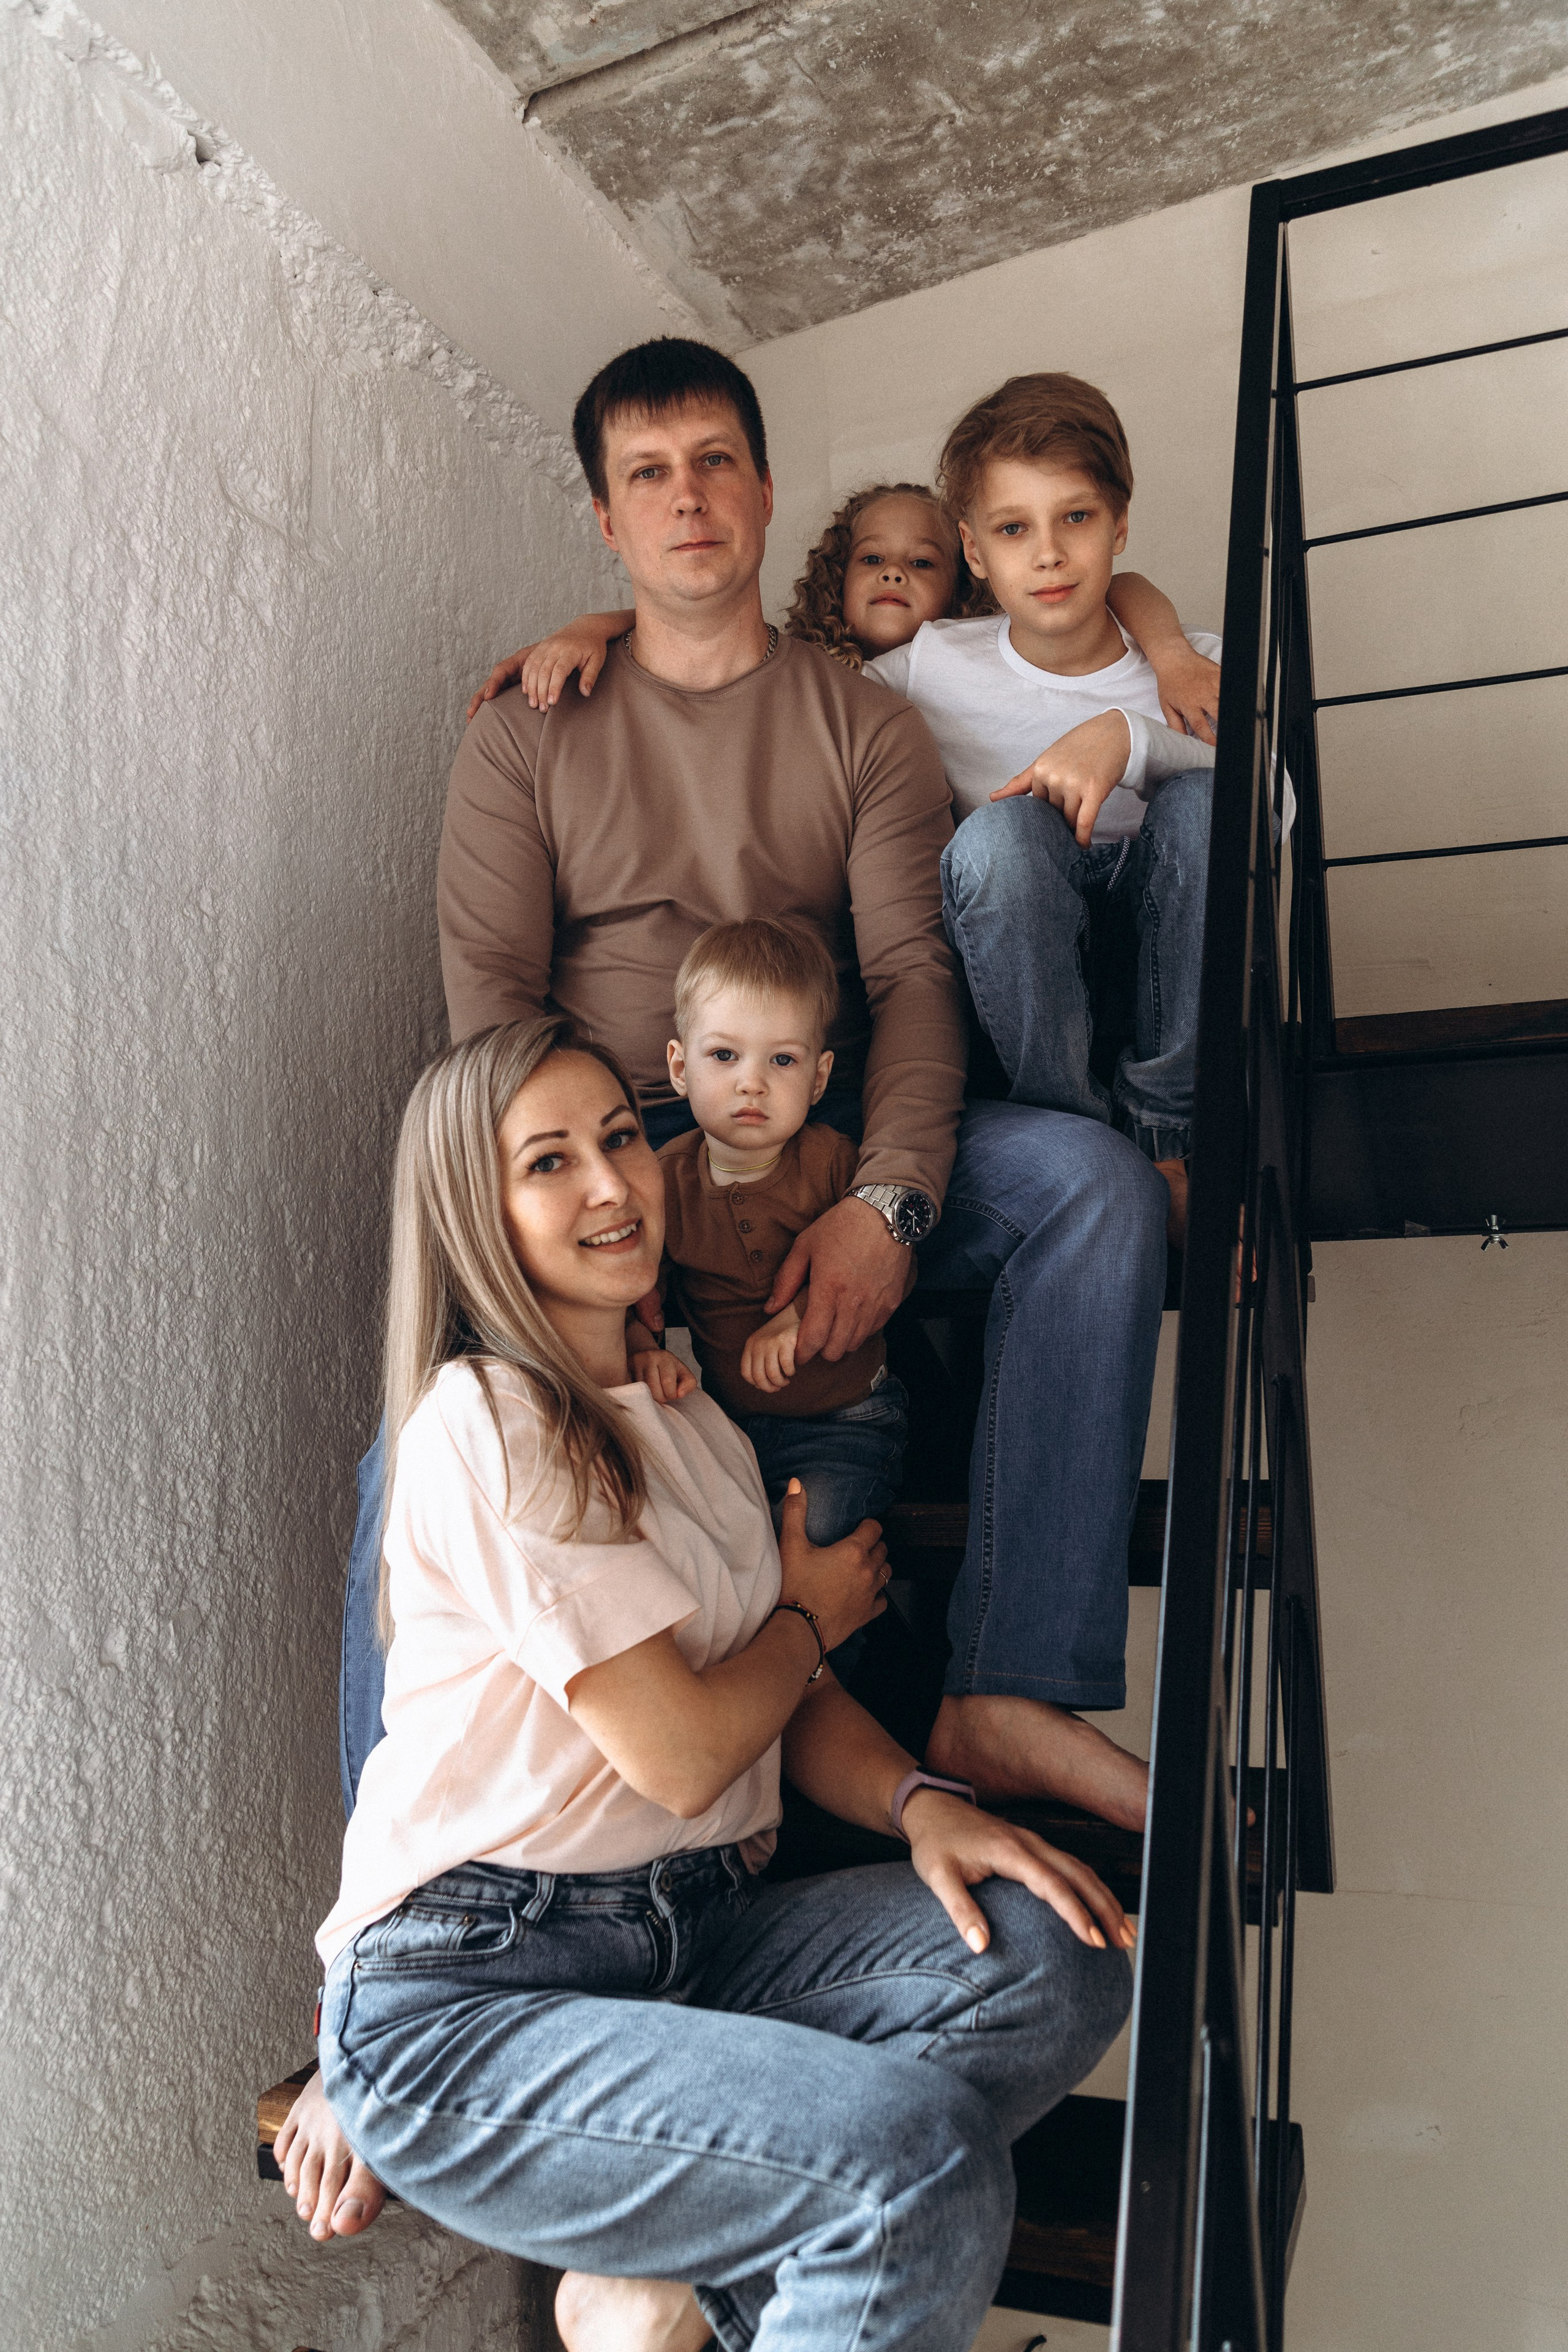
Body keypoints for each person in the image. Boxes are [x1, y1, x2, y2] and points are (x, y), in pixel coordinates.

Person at [310, 1014, 1133, 2352]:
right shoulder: (486, 1419)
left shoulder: (689, 1416)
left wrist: (924, 1803)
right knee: (908, 2162)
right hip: (476, 1992)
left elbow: (788, 1701)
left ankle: (680, 2249)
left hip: (692, 1939)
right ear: (475, 1214)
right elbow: (689, 1746)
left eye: (623, 1138)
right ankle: (709, 2241)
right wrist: (811, 1617)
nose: (608, 1183)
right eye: (548, 1163)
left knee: (1059, 1951)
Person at [865, 375, 1233, 1246]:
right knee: (998, 836)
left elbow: (1274, 796)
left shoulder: (1192, 663)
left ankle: (1166, 1142)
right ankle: (1076, 1141)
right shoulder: (935, 662)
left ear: (1121, 522)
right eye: (1013, 528)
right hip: (1024, 971)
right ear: (975, 551)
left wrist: (1127, 738)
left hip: (1167, 957)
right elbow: (790, 689)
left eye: (1077, 517)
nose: (1050, 554)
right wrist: (622, 622)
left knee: (1209, 802)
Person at [628, 917, 909, 1562]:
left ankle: (825, 1660)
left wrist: (799, 1319)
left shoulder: (837, 1163)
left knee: (811, 1535)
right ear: (678, 1067)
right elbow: (631, 1292)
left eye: (781, 1060)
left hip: (846, 1425)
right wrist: (642, 1348)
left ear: (818, 1078)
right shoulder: (664, 1182)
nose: (751, 1082)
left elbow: (889, 1268)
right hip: (725, 1431)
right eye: (723, 1056)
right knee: (701, 1555)